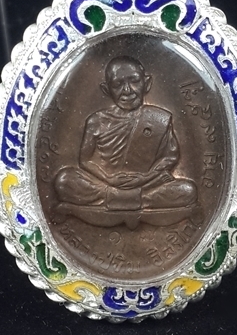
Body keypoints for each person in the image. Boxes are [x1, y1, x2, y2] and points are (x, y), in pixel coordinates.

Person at [53, 55, 200, 229]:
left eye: (134, 81)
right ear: (106, 89)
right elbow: (85, 160)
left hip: (148, 184)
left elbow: (170, 157)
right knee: (64, 180)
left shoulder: (158, 119)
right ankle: (135, 200)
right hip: (106, 184)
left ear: (147, 83)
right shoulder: (97, 121)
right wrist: (108, 178)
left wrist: (146, 177)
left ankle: (119, 199)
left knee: (187, 190)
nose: (127, 90)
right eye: (118, 84)